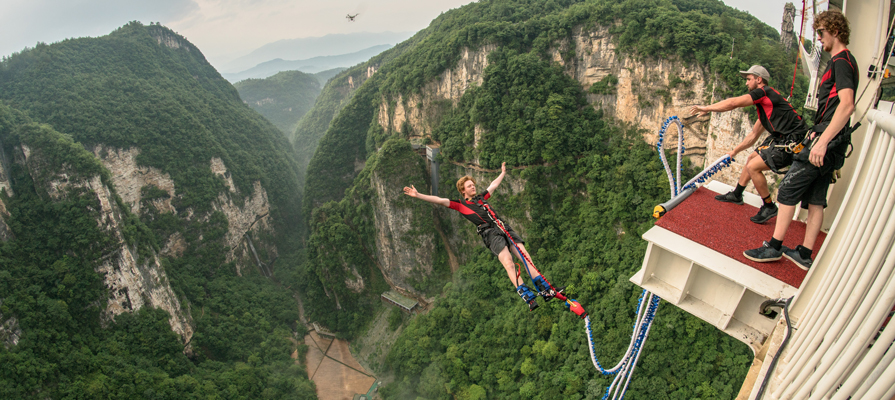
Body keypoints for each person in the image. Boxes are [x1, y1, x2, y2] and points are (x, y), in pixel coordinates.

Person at [744, 10, 858, 270]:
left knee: (786, 192)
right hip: (834, 144)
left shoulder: (841, 62)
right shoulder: (847, 61)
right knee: (815, 200)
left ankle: (773, 248)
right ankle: (804, 254)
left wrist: (821, 141)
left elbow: (847, 104)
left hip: (825, 141)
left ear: (835, 31)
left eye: (821, 33)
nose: (819, 39)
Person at [402, 162, 562, 311]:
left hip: (503, 227)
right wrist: (419, 195)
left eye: (473, 185)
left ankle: (547, 290)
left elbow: (493, 185)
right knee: (508, 262)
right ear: (463, 190)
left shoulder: (481, 198)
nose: (473, 187)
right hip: (490, 233)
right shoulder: (460, 205)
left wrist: (503, 173)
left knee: (526, 257)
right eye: (470, 186)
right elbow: (439, 200)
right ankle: (527, 296)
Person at [690, 65, 807, 224]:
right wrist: (734, 151)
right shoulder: (767, 105)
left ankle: (769, 206)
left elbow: (733, 103)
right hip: (782, 138)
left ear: (759, 80)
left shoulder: (764, 92)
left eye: (749, 79)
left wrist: (707, 108)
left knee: (753, 166)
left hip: (793, 141)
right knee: (752, 157)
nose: (746, 83)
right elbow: (753, 135)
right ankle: (737, 194)